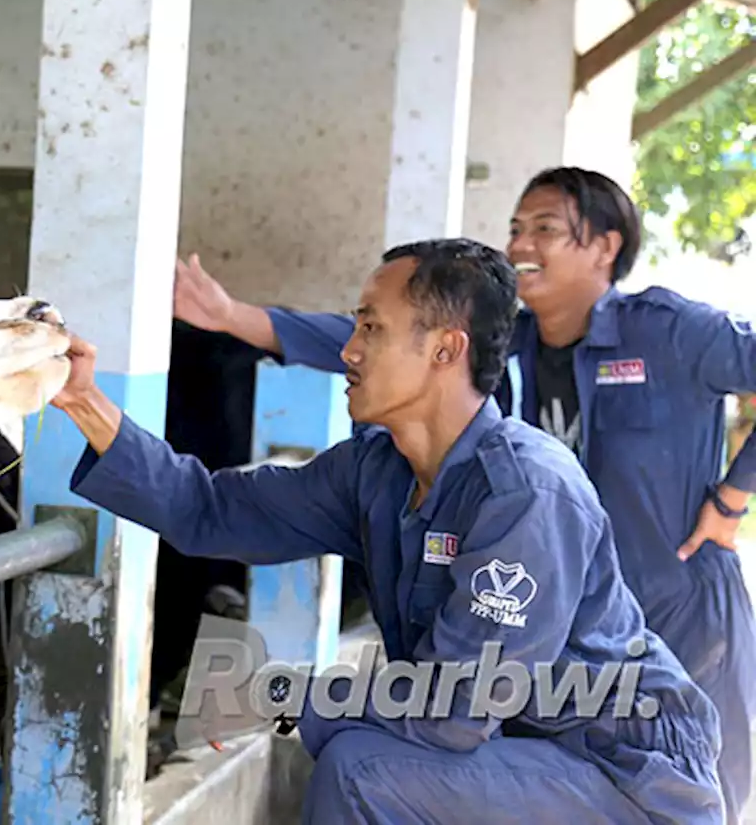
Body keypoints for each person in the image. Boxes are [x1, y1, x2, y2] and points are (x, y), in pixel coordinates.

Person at [53, 237, 723, 823]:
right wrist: (85, 402)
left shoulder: (525, 492)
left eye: (371, 328)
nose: (348, 350)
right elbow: (209, 510)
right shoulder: (377, 470)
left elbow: (460, 708)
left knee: (362, 767)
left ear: (444, 348)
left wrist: (286, 700)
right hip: (523, 753)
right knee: (365, 754)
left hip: (626, 775)